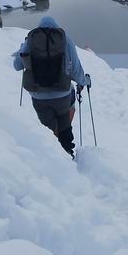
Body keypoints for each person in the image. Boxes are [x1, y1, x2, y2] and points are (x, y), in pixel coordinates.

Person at [12, 16, 91, 157]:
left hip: (38, 96)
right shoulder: (65, 40)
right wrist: (84, 82)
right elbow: (76, 70)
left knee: (47, 129)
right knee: (64, 120)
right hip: (62, 94)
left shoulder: (31, 40)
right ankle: (67, 150)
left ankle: (52, 156)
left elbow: (17, 65)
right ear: (56, 27)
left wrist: (22, 49)